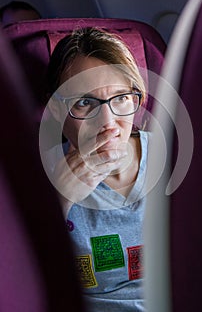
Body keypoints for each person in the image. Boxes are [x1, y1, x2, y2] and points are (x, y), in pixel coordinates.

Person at [43, 27, 151, 311]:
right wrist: (59, 200)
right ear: (56, 109)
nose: (109, 123)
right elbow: (20, 280)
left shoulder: (173, 157)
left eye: (120, 99)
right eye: (85, 103)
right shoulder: (33, 176)